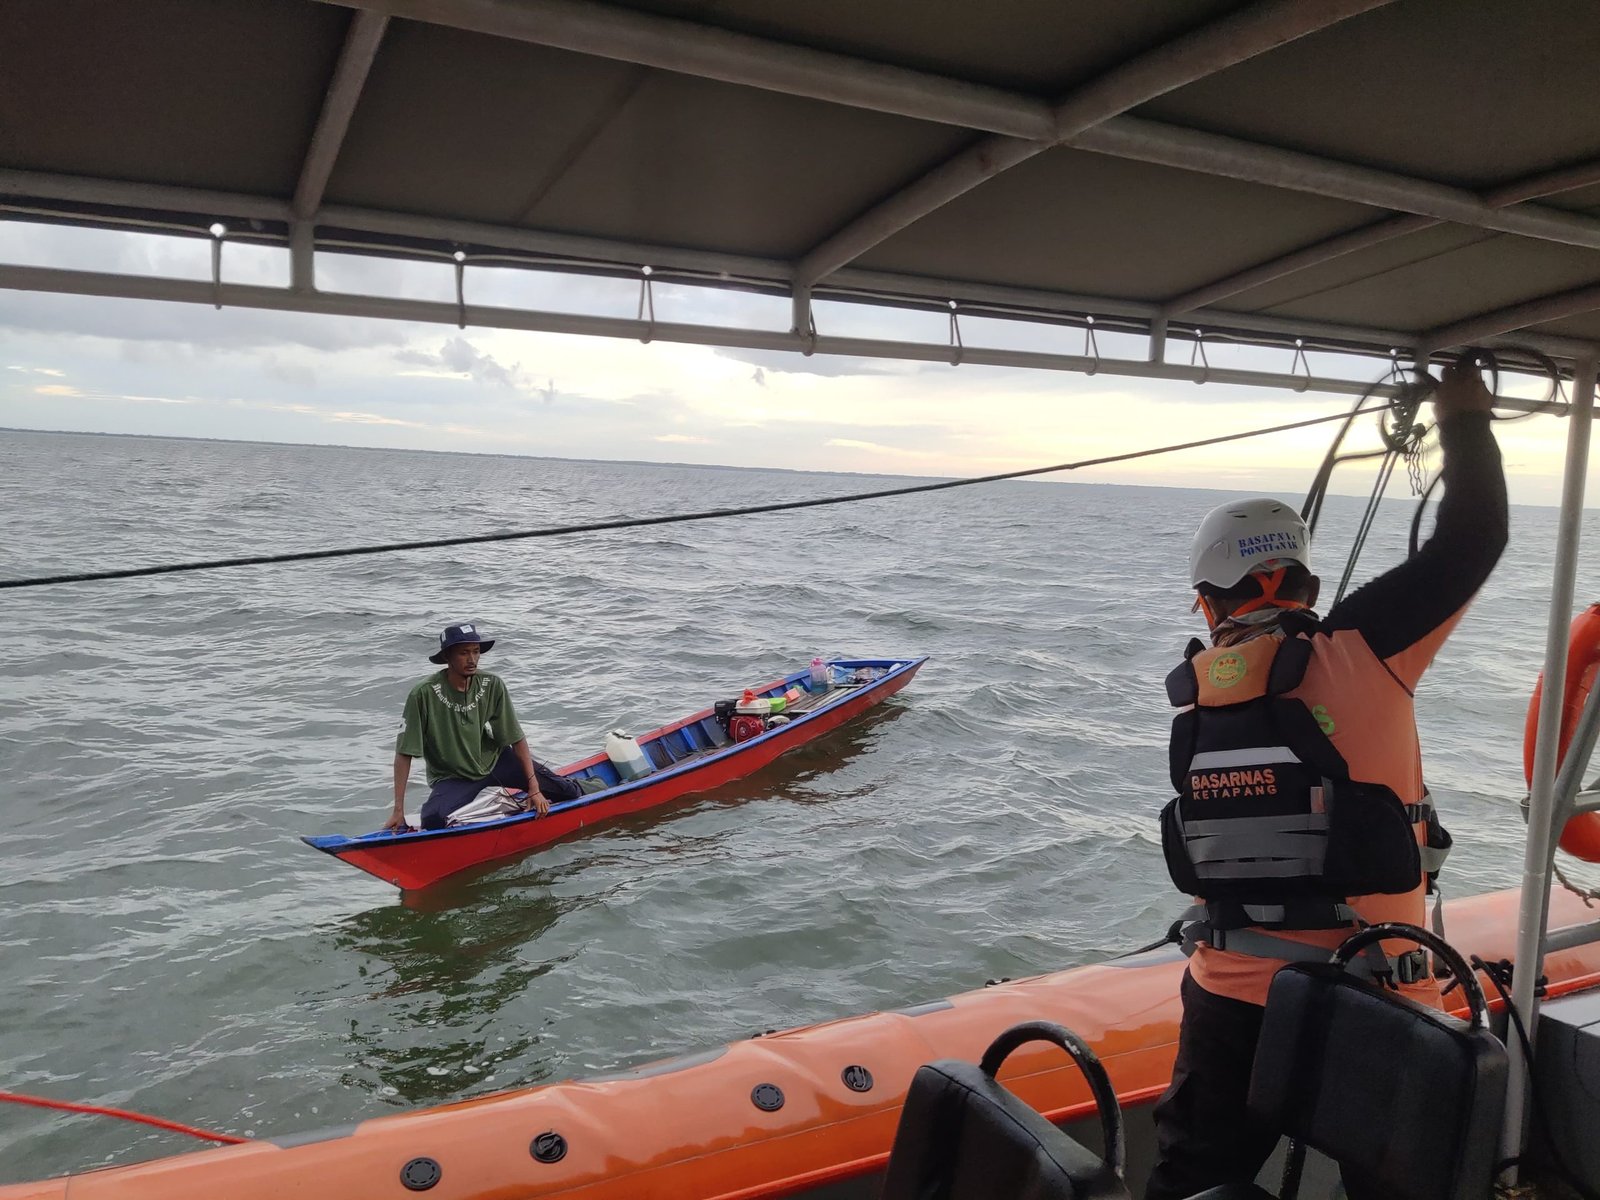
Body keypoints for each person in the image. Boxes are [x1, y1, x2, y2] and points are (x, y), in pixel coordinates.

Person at [1144, 360, 1507, 1200]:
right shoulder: (1368, 646)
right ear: (1303, 580)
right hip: (1376, 992)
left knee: (1193, 1179)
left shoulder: (1197, 687)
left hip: (1228, 996)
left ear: (1208, 604)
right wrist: (1462, 414)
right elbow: (1474, 534)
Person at [385, 623, 583, 832]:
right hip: (454, 776)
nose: (472, 659)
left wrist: (533, 788)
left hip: (497, 761)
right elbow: (404, 753)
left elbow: (515, 738)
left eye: (476, 652)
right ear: (447, 657)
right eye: (463, 653)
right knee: (432, 819)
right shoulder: (422, 695)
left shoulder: (492, 684)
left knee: (568, 791)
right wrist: (399, 810)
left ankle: (595, 786)